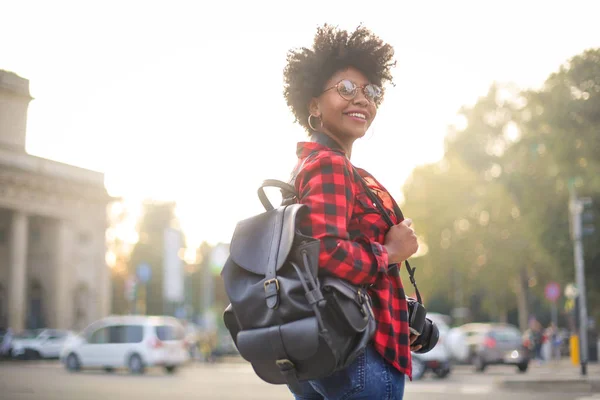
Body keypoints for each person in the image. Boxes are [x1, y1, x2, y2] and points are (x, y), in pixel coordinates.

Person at [283, 24, 420, 400]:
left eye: (370, 91)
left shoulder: (305, 166)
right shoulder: (329, 165)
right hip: (355, 355)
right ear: (313, 104)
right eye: (345, 89)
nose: (361, 99)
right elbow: (326, 252)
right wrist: (391, 252)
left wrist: (397, 310)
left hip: (319, 348)